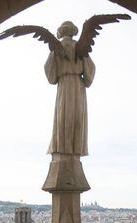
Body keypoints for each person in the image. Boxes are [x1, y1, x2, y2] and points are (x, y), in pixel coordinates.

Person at [44, 21, 95, 156]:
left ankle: (62, 147)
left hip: (64, 83)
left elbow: (50, 74)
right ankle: (75, 149)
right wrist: (86, 79)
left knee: (63, 116)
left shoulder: (57, 47)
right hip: (78, 85)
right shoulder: (80, 47)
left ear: (61, 32)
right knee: (76, 115)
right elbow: (90, 68)